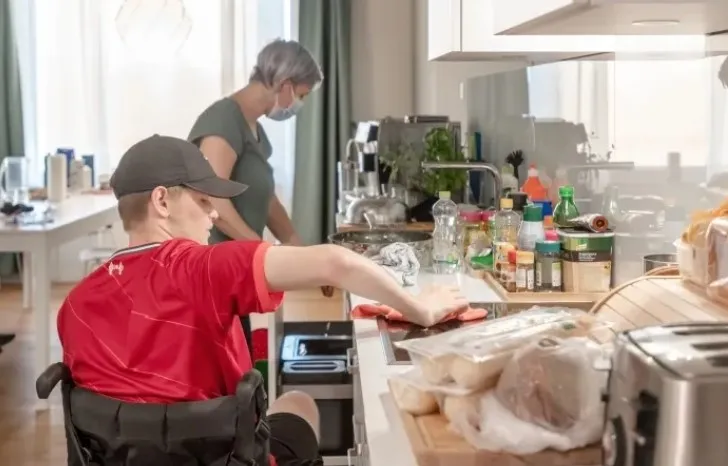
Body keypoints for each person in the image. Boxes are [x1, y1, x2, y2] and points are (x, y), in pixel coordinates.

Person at [57, 135, 469, 466]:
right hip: (225, 457)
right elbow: (335, 262)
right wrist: (420, 307)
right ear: (162, 201)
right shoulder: (200, 268)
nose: (214, 214)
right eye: (203, 200)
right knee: (300, 403)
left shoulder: (73, 307)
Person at [187, 38, 324, 352]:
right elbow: (212, 195)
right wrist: (258, 249)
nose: (297, 105)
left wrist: (296, 246)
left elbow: (264, 196)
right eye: (301, 95)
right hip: (210, 272)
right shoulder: (223, 120)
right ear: (285, 85)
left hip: (232, 269)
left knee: (242, 359)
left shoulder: (254, 129)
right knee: (224, 366)